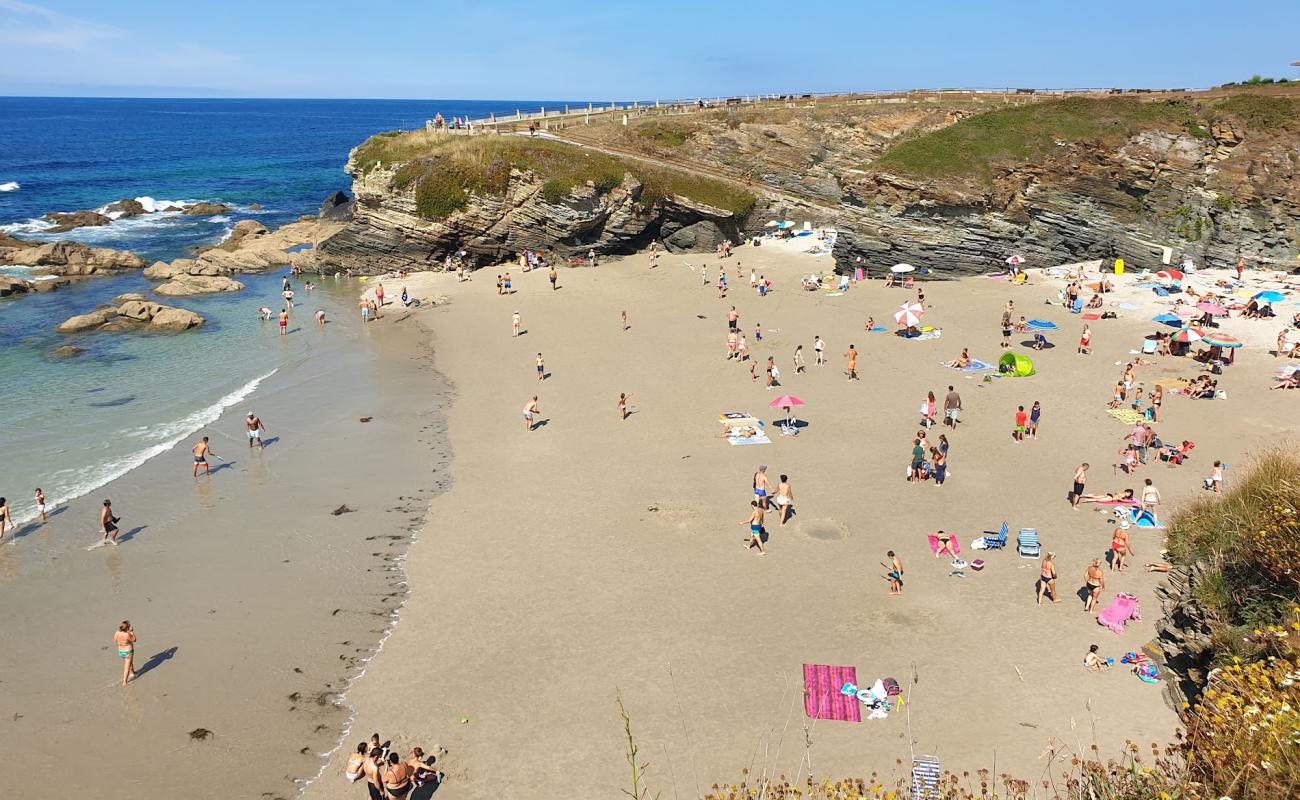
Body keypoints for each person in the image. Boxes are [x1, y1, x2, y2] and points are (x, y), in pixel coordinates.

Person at [114, 620, 137, 685]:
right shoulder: (127, 634)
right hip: (128, 652)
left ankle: (133, 672)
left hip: (121, 651)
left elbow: (115, 640)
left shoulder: (117, 633)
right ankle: (125, 682)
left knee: (130, 662)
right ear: (127, 628)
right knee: (126, 667)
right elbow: (134, 640)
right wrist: (132, 632)